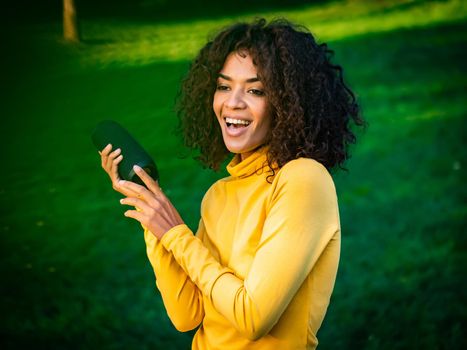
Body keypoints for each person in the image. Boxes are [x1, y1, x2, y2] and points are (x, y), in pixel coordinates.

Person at [99, 18, 364, 350]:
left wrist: (175, 234)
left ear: (288, 104)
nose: (233, 103)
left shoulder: (303, 180)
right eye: (224, 86)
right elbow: (187, 315)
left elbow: (252, 317)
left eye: (255, 90)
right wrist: (152, 216)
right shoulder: (219, 194)